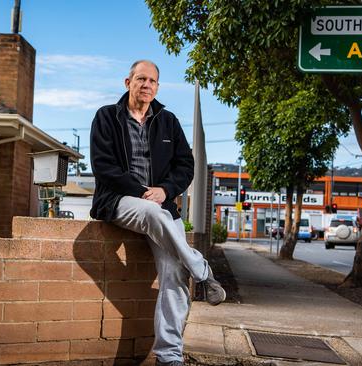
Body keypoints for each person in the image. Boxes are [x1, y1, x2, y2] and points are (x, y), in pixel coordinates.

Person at [89, 60, 226, 366]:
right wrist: (141, 192)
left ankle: (169, 357)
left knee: (174, 273)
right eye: (141, 79)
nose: (146, 85)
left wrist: (165, 189)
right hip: (119, 200)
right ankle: (202, 269)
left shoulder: (168, 121)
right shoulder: (106, 117)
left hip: (162, 204)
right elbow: (103, 166)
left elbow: (185, 166)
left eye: (152, 80)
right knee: (153, 214)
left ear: (158, 87)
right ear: (128, 82)